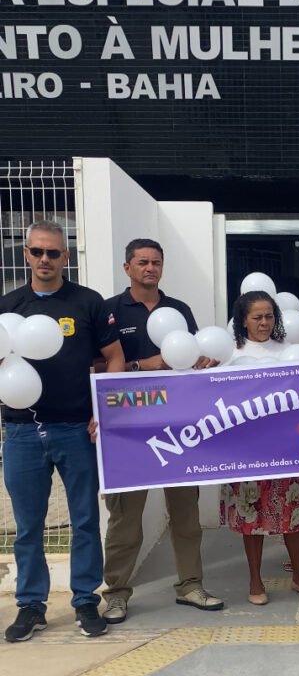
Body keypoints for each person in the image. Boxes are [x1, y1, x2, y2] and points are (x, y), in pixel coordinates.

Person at [1, 221, 125, 642]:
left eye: (53, 253)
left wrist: (104, 410)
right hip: (20, 431)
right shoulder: (8, 307)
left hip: (76, 429)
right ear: (26, 254)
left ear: (66, 257)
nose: (45, 259)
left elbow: (114, 357)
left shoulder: (88, 302)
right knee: (28, 526)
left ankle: (85, 600)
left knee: (85, 520)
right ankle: (31, 605)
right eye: (37, 251)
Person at [101, 238, 224, 623]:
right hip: (129, 430)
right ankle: (116, 593)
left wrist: (202, 362)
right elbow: (98, 367)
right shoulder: (109, 311)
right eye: (142, 262)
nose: (150, 268)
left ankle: (191, 585)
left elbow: (191, 356)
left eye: (156, 262)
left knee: (186, 514)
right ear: (127, 268)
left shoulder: (179, 310)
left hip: (179, 427)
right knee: (125, 519)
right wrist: (143, 365)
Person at [220, 291, 299, 604]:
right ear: (243, 320)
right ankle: (255, 581)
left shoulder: (291, 350)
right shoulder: (229, 353)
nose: (264, 323)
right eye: (257, 317)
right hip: (246, 449)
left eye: (269, 316)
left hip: (287, 447)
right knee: (250, 512)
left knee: (293, 511)